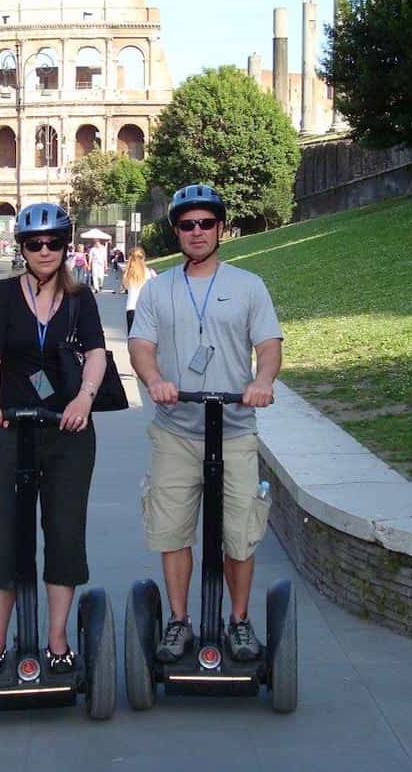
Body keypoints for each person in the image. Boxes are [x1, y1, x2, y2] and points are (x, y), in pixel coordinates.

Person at [127, 183, 282, 664]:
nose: (196, 232)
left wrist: (262, 381)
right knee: (172, 530)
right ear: (176, 231)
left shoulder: (248, 286)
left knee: (240, 532)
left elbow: (270, 345)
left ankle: (238, 620)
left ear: (221, 229)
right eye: (187, 224)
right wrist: (154, 380)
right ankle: (178, 620)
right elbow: (140, 346)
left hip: (234, 427)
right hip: (176, 428)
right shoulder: (158, 289)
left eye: (206, 224)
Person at [0, 202, 107, 676]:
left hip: (68, 432)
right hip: (13, 429)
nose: (45, 251)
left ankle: (56, 637)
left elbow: (96, 354)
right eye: (35, 244)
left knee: (65, 532)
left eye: (54, 243)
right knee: (7, 534)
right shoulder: (2, 295)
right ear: (22, 248)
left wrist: (83, 400)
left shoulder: (80, 298)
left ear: (65, 246)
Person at [122, 247, 156, 333]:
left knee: (132, 337)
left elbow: (125, 286)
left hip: (131, 308)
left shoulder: (128, 274)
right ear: (143, 258)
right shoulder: (149, 273)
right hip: (147, 310)